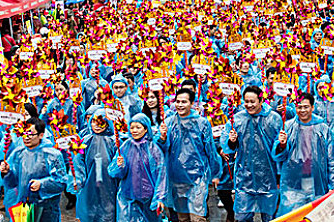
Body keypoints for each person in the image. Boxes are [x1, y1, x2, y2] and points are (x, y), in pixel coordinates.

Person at [271, 93, 334, 216]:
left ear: (312, 107)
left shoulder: (323, 128)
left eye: (306, 107)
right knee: (293, 215)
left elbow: (332, 159)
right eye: (299, 107)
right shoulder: (287, 127)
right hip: (292, 183)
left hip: (317, 183)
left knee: (314, 215)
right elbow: (278, 157)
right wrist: (282, 145)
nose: (302, 110)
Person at [158, 89, 221, 221]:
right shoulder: (168, 122)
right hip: (176, 177)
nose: (180, 105)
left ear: (192, 103)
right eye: (178, 101)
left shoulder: (202, 123)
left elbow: (210, 149)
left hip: (197, 178)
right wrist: (162, 138)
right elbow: (161, 150)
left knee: (197, 217)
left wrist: (215, 173)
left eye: (184, 102)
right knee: (183, 217)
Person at [222, 85, 281, 222]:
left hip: (268, 178)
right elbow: (229, 148)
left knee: (271, 217)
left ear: (261, 101)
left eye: (252, 101)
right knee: (242, 217)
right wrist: (232, 141)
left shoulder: (274, 119)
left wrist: (282, 144)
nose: (249, 105)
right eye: (246, 101)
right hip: (245, 177)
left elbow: (280, 150)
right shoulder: (237, 119)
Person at [0, 117, 67, 222]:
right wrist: (7, 172)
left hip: (47, 209)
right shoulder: (18, 153)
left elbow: (61, 181)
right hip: (24, 206)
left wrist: (42, 184)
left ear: (41, 135)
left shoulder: (52, 155)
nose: (26, 137)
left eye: (30, 134)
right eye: (24, 133)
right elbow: (12, 184)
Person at [108, 113, 167, 222]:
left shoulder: (153, 149)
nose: (134, 130)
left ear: (146, 129)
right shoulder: (125, 146)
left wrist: (159, 197)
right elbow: (115, 172)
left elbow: (161, 174)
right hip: (128, 196)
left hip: (148, 198)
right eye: (132, 127)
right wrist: (120, 165)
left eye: (138, 127)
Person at [71, 108, 118, 222]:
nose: (97, 125)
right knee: (89, 211)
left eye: (101, 122)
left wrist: (118, 166)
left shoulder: (114, 141)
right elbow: (78, 162)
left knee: (108, 212)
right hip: (89, 183)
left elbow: (118, 164)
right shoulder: (85, 140)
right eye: (94, 121)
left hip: (109, 184)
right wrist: (78, 178)